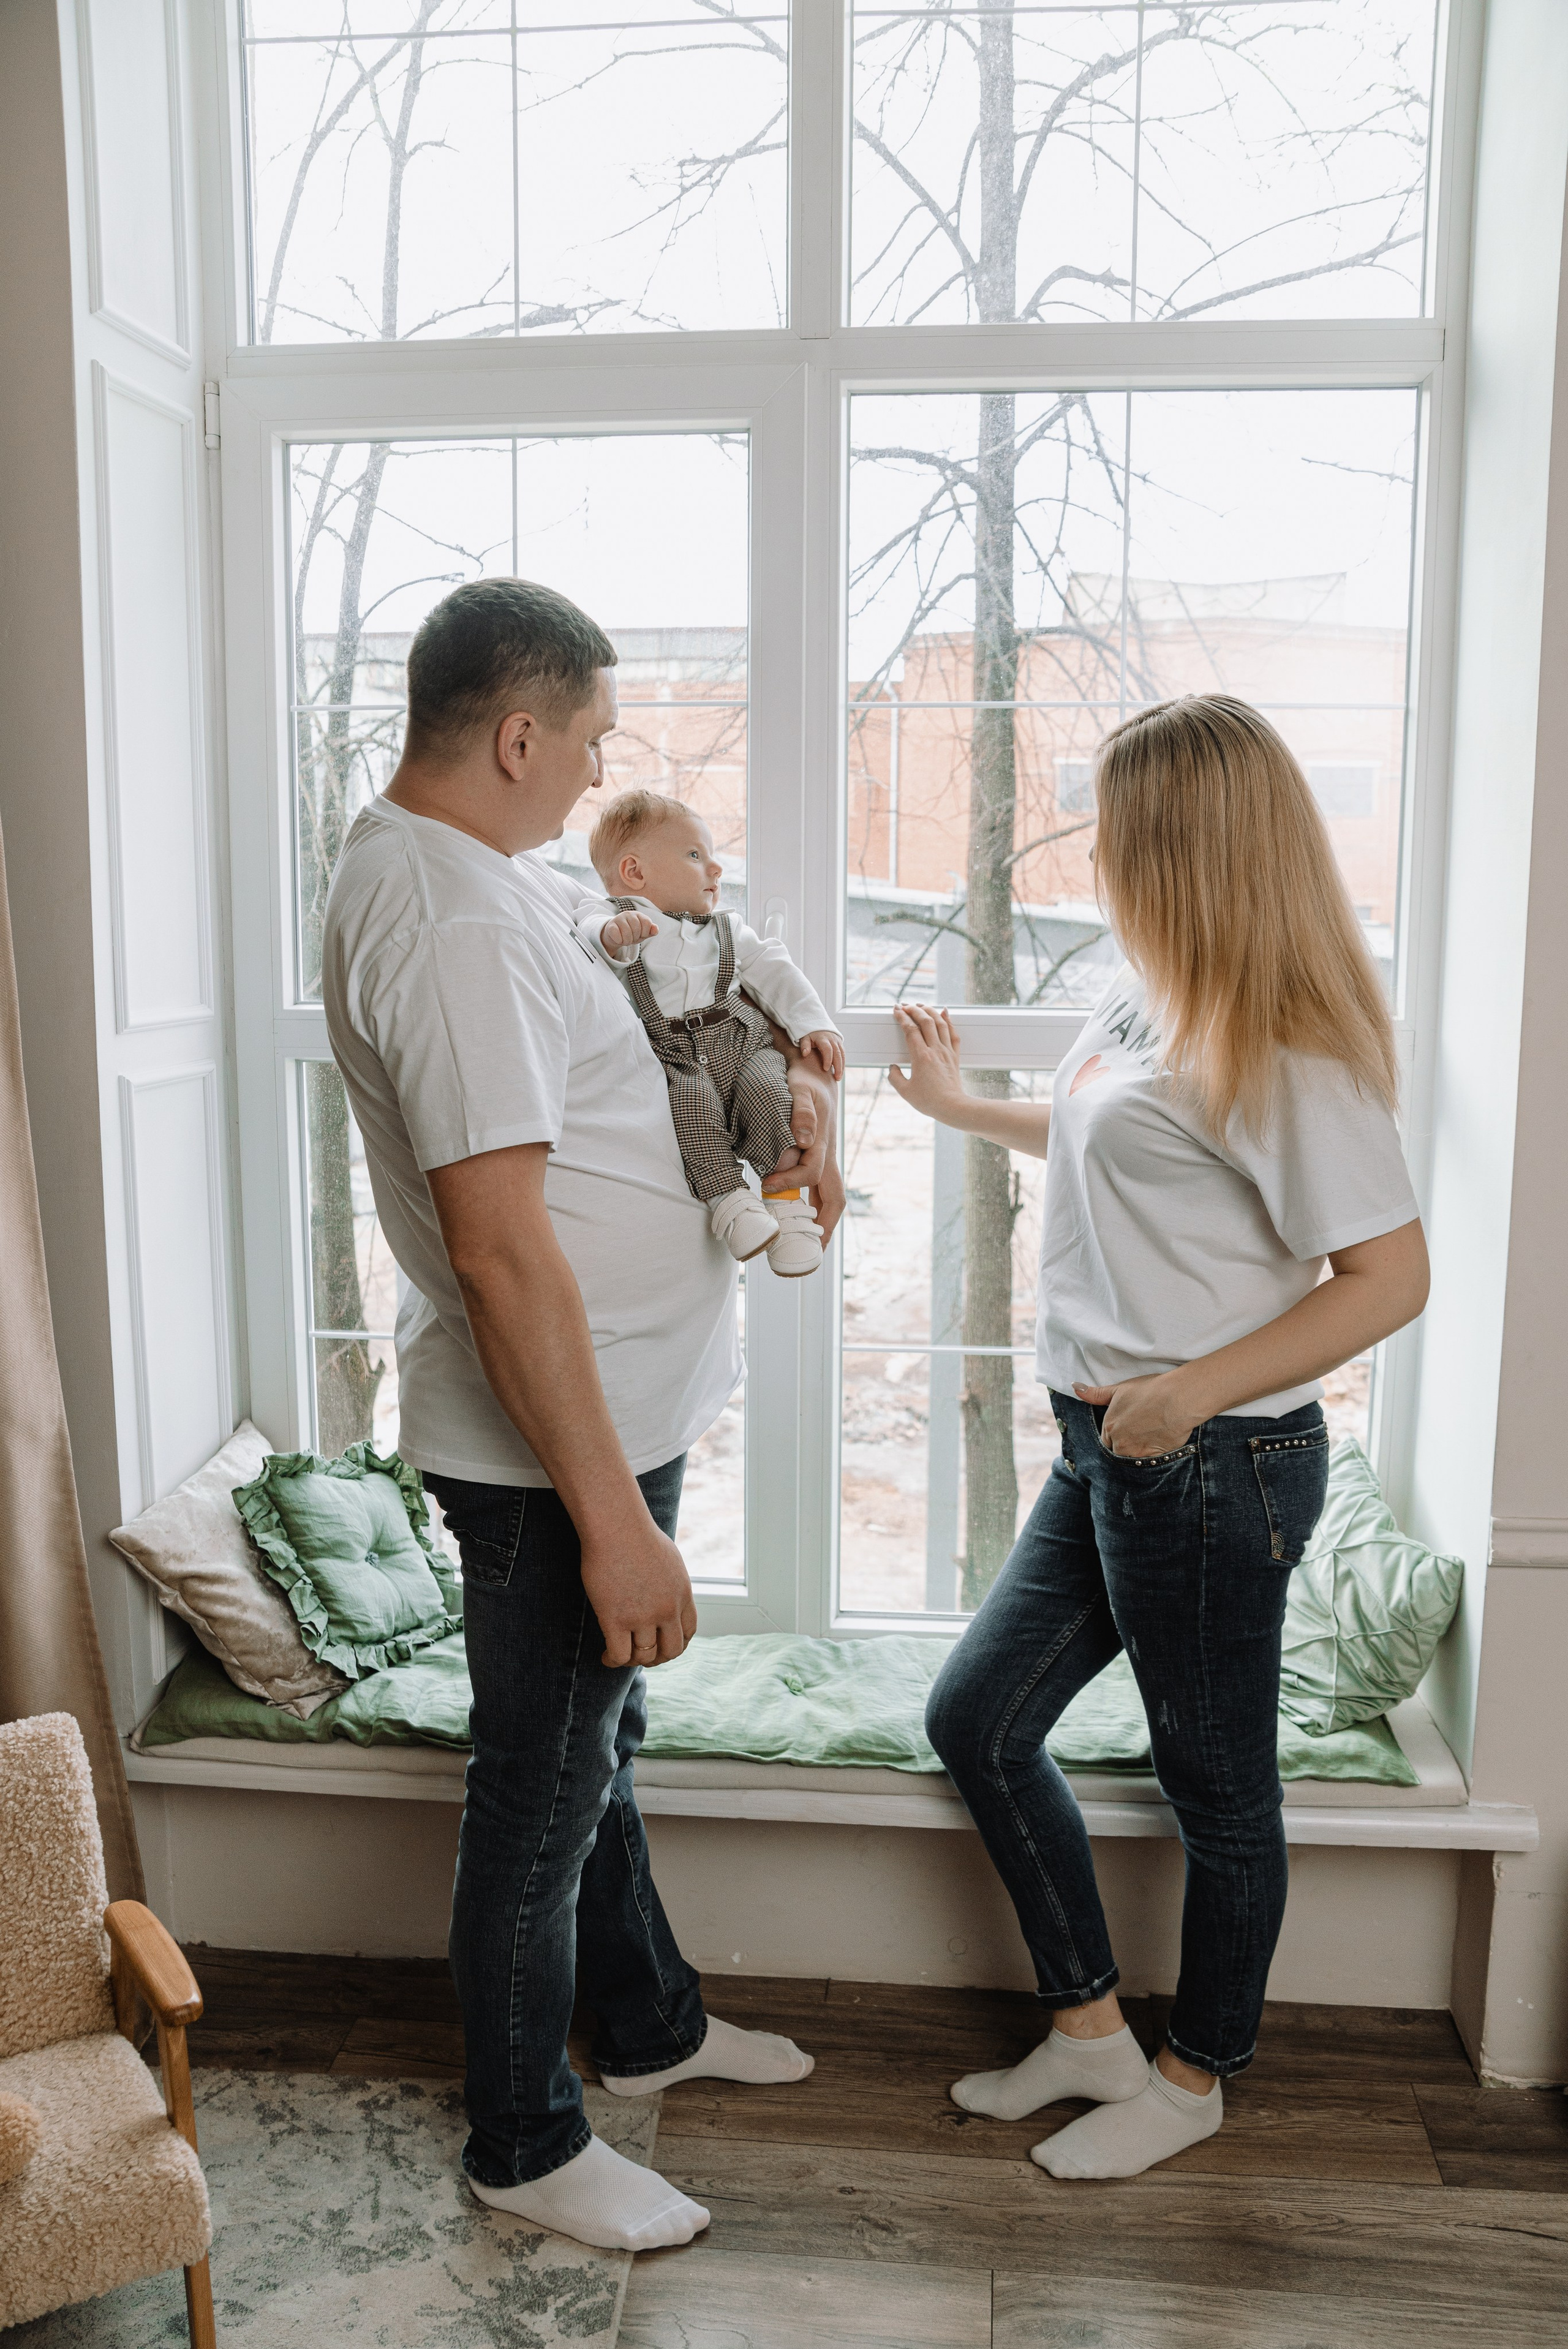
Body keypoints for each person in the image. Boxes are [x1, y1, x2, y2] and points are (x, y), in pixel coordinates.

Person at [321, 578, 840, 2252]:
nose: (602, 768)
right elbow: (496, 1245)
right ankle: (525, 2142)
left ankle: (648, 2023)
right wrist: (611, 1522)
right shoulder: (453, 920)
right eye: (593, 737)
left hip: (607, 1416)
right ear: (518, 732)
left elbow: (642, 1048)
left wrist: (794, 1106)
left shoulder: (482, 876)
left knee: (588, 1755)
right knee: (539, 1795)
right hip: (555, 1456)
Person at [889, 693, 1430, 2181]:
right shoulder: (1145, 995)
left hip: (1209, 1465)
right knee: (976, 1719)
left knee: (1218, 1794)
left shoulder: (1291, 1048)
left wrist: (1186, 1393)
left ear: (1186, 845)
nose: (1098, 852)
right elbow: (1111, 1143)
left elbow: (1387, 1279)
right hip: (1107, 1448)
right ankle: (1087, 2032)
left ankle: (1193, 2078)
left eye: (1119, 828)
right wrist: (961, 1109)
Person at [574, 788, 845, 1278]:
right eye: (696, 855)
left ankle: (787, 1208)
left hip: (742, 1042)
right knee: (693, 1114)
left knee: (771, 1097)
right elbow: (588, 928)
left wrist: (814, 1023)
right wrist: (613, 935)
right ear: (635, 871)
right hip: (677, 1056)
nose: (716, 868)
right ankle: (732, 1204)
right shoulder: (612, 916)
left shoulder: (726, 929)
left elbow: (775, 969)